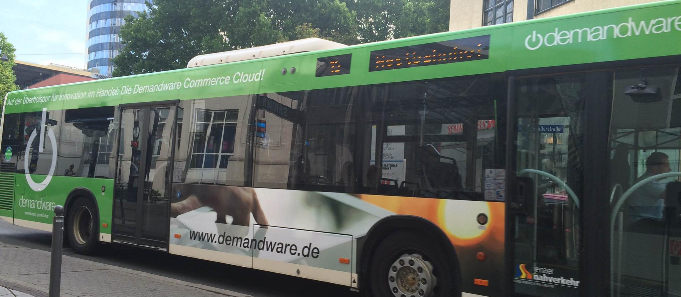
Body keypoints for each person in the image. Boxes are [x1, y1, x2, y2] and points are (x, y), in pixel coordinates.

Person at [627, 152, 671, 232]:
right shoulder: (647, 181)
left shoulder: (652, 181)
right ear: (654, 167)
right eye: (666, 165)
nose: (669, 169)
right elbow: (669, 195)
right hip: (641, 224)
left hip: (649, 221)